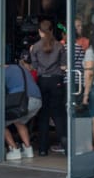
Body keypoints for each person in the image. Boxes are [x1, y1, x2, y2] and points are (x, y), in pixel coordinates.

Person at [30, 20, 67, 156]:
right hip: (56, 81)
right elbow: (64, 67)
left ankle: (43, 149)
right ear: (52, 31)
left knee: (43, 116)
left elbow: (34, 67)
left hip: (42, 81)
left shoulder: (35, 47)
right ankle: (66, 148)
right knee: (58, 115)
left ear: (40, 32)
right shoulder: (59, 46)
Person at [4, 52, 42, 159]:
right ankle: (28, 150)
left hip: (24, 102)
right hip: (37, 101)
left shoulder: (4, 71)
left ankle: (14, 150)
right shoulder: (22, 69)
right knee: (19, 121)